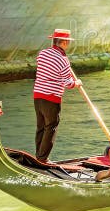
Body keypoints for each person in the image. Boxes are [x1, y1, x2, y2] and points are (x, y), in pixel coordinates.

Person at [33, 29, 82, 162]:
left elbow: (46, 70)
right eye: (68, 42)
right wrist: (77, 83)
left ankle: (39, 155)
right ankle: (42, 158)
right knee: (51, 126)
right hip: (51, 97)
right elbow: (68, 83)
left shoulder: (42, 54)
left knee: (41, 126)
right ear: (64, 42)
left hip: (37, 95)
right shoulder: (63, 59)